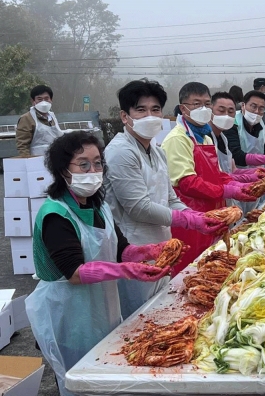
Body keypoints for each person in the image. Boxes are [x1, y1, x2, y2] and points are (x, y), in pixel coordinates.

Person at [26, 132, 171, 396]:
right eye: (83, 164)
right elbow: (74, 273)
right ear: (62, 170)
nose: (93, 170)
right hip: (69, 312)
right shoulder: (55, 214)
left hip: (102, 304)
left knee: (107, 370)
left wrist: (150, 250)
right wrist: (128, 271)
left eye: (98, 163)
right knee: (81, 379)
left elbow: (120, 250)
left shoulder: (99, 206)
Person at [104, 79, 226, 318]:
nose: (150, 116)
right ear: (124, 116)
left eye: (155, 109)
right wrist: (189, 221)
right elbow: (139, 208)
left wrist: (197, 216)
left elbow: (169, 197)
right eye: (141, 110)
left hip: (162, 243)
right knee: (138, 317)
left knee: (161, 310)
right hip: (134, 246)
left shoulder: (157, 151)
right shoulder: (121, 152)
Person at [161, 83, 256, 273]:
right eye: (196, 104)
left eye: (206, 104)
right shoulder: (178, 138)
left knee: (213, 266)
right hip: (191, 214)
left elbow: (217, 174)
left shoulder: (205, 137)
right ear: (183, 108)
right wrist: (228, 190)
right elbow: (186, 183)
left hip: (213, 211)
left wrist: (240, 185)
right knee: (190, 271)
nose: (202, 109)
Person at [16, 84, 63, 157]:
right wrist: (28, 161)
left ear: (51, 99)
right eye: (39, 99)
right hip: (37, 160)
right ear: (33, 101)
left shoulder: (52, 116)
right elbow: (22, 145)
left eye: (46, 99)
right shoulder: (27, 118)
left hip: (55, 159)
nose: (43, 103)